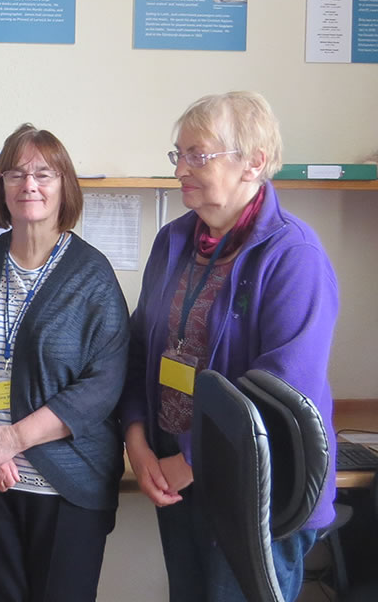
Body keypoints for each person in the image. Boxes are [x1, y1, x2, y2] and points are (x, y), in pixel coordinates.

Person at [121, 91, 338, 601]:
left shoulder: (293, 254)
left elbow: (284, 393)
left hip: (255, 489)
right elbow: (139, 346)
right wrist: (136, 439)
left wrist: (190, 462)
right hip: (175, 475)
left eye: (198, 155)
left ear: (254, 162)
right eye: (179, 155)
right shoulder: (173, 241)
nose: (181, 171)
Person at [0, 123, 129, 601]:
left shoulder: (92, 275)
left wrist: (13, 440)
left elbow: (104, 384)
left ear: (65, 186)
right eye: (15, 173)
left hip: (66, 486)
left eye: (44, 173)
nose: (29, 184)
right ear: (1, 186)